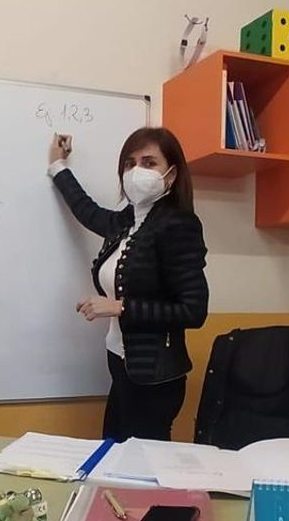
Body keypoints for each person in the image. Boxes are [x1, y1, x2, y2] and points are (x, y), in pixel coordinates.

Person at [47, 127, 209, 442]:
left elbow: (194, 310)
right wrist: (57, 167)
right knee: (112, 452)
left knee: (139, 471)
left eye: (149, 163)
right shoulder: (128, 221)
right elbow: (88, 211)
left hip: (155, 376)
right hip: (121, 363)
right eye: (129, 163)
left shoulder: (179, 225)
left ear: (171, 174)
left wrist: (121, 307)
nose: (136, 172)